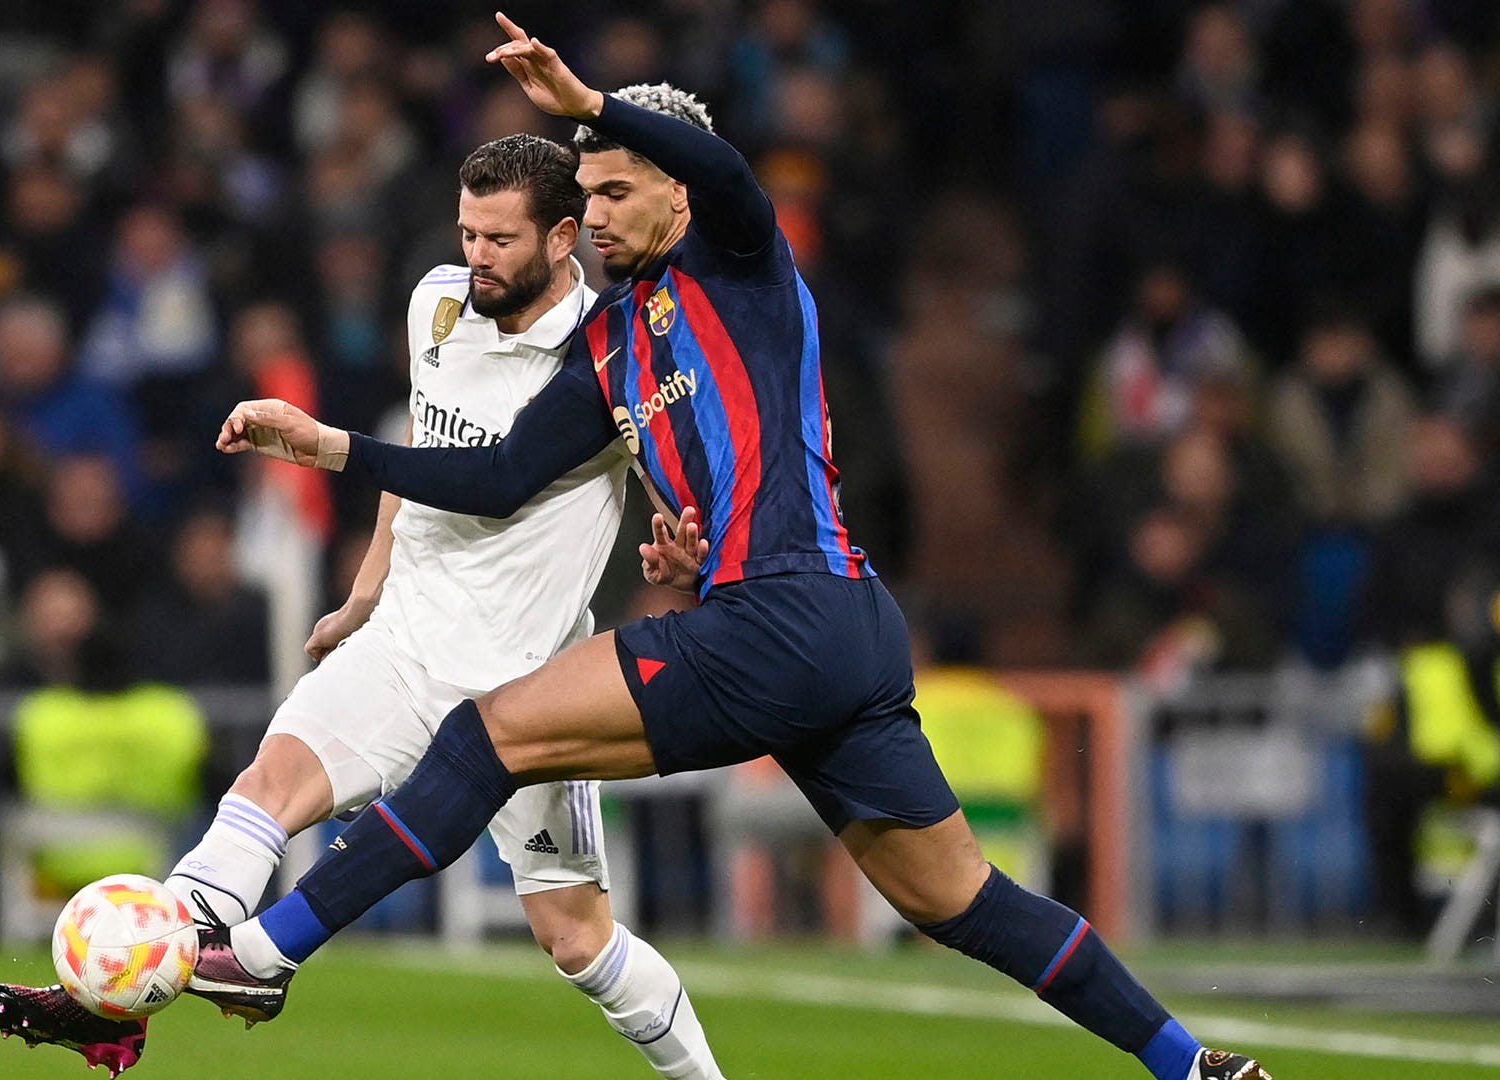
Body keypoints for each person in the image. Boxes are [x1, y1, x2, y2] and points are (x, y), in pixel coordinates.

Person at [197, 16, 1267, 1080]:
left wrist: (590, 105)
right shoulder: (611, 345)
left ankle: (264, 950)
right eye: (589, 194)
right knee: (960, 900)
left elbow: (728, 167)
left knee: (486, 738)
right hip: (829, 631)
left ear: (679, 194)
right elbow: (496, 478)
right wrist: (335, 448)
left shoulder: (742, 262)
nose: (597, 214)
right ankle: (1191, 1065)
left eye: (618, 190)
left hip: (791, 615)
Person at [0, 133, 725, 1080]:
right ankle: (115, 1001)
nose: (477, 256)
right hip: (404, 647)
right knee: (261, 796)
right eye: (467, 233)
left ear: (565, 236)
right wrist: (366, 593)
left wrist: (682, 546)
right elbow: (422, 446)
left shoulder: (609, 351)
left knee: (577, 941)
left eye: (500, 239)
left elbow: (652, 480)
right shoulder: (437, 302)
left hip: (529, 688)